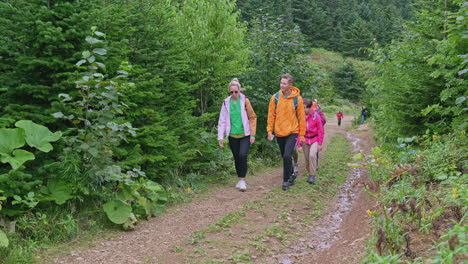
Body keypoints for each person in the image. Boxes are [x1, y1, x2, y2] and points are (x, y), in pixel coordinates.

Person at [267, 74, 306, 191]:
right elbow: (270, 116)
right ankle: (292, 174)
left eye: (284, 83)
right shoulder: (275, 97)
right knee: (284, 156)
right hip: (279, 132)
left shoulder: (297, 99)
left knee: (287, 155)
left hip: (292, 131)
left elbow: (301, 118)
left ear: (290, 85)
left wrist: (302, 135)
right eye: (281, 83)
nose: (282, 85)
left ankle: (285, 181)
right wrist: (269, 131)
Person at [218, 78, 257, 191]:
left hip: (245, 134)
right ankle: (240, 179)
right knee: (236, 157)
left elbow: (252, 117)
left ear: (239, 91)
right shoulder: (226, 102)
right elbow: (222, 120)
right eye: (232, 92)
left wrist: (253, 135)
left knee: (242, 155)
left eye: (236, 91)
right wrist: (220, 137)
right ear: (229, 92)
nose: (234, 94)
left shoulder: (245, 101)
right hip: (232, 135)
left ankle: (243, 180)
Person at [298, 98, 324, 184]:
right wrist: (299, 145)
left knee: (312, 155)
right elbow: (298, 131)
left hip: (314, 139)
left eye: (304, 107)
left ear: (309, 108)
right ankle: (309, 172)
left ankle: (312, 175)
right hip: (305, 140)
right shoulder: (300, 117)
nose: (303, 109)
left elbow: (320, 130)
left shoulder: (316, 116)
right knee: (307, 159)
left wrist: (320, 144)